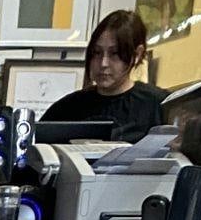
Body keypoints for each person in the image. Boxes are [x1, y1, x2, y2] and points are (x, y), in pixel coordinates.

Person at [45, 11, 167, 142]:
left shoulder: (160, 105)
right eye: (96, 53)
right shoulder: (66, 108)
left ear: (137, 54)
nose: (103, 63)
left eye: (114, 53)